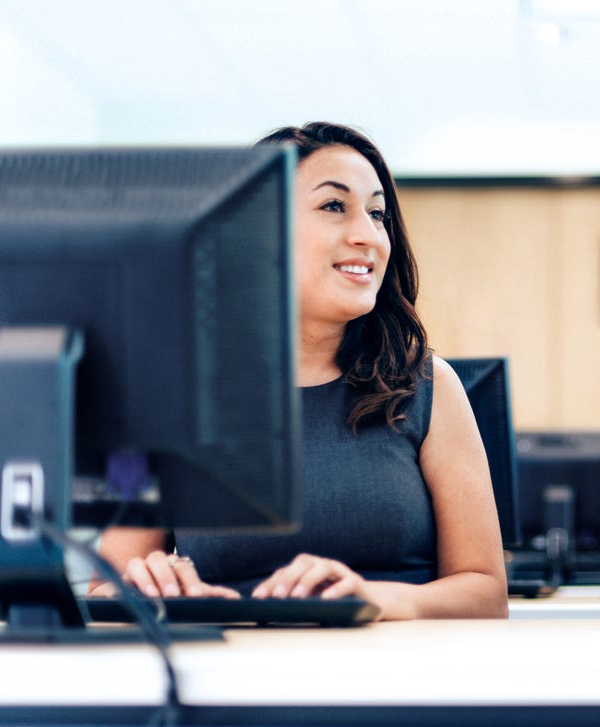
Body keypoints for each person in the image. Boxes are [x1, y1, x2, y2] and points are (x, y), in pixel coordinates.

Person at [90, 122, 508, 620]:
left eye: (378, 214)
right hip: (234, 683)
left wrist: (383, 598)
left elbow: (486, 592)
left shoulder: (431, 387)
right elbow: (101, 587)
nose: (368, 235)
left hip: (396, 681)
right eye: (335, 206)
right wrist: (145, 589)